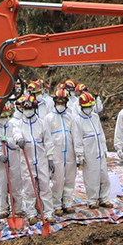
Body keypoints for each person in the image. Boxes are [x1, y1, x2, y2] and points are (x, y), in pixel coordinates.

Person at [36, 85, 77, 214]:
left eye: (63, 102)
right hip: (56, 154)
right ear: (54, 103)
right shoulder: (48, 119)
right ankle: (57, 204)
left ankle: (67, 202)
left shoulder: (70, 116)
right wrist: (49, 156)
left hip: (69, 152)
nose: (60, 105)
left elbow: (75, 135)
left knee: (70, 178)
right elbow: (46, 139)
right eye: (58, 102)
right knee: (57, 180)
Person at [70, 91, 110, 207]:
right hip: (89, 153)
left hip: (99, 151)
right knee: (92, 177)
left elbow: (101, 134)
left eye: (90, 107)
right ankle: (92, 200)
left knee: (104, 176)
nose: (89, 109)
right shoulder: (77, 121)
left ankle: (104, 197)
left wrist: (104, 148)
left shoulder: (95, 117)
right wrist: (80, 155)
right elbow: (77, 139)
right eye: (87, 107)